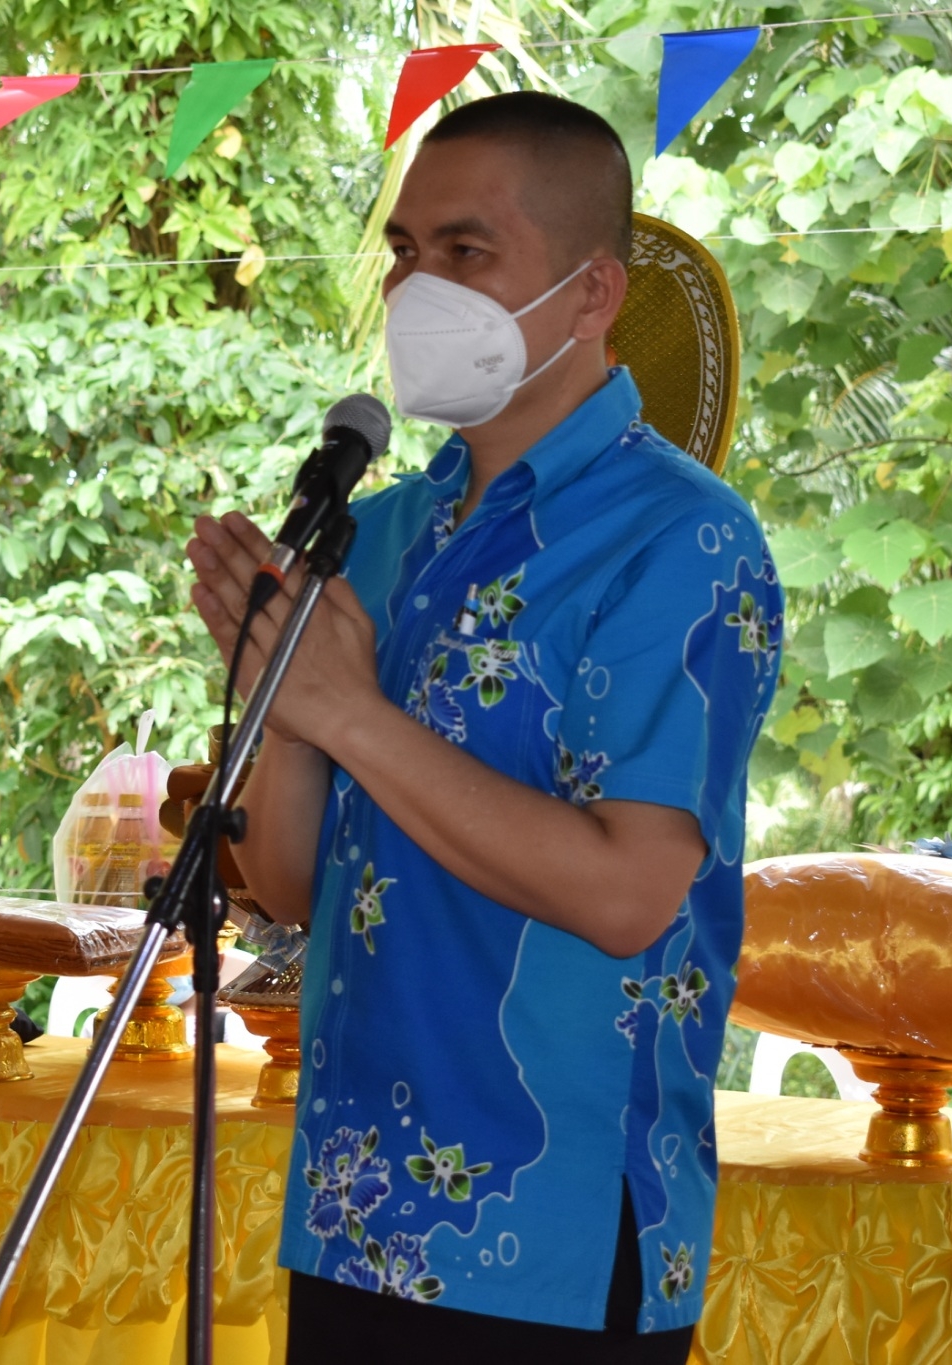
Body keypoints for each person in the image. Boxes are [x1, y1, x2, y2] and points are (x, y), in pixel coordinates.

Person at [186, 91, 782, 1360]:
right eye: (405, 251)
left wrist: (348, 710)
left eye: (466, 251)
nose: (418, 289)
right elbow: (291, 889)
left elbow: (626, 895)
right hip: (354, 1203)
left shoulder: (682, 539)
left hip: (549, 1234)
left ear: (591, 291)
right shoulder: (383, 531)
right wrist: (287, 710)